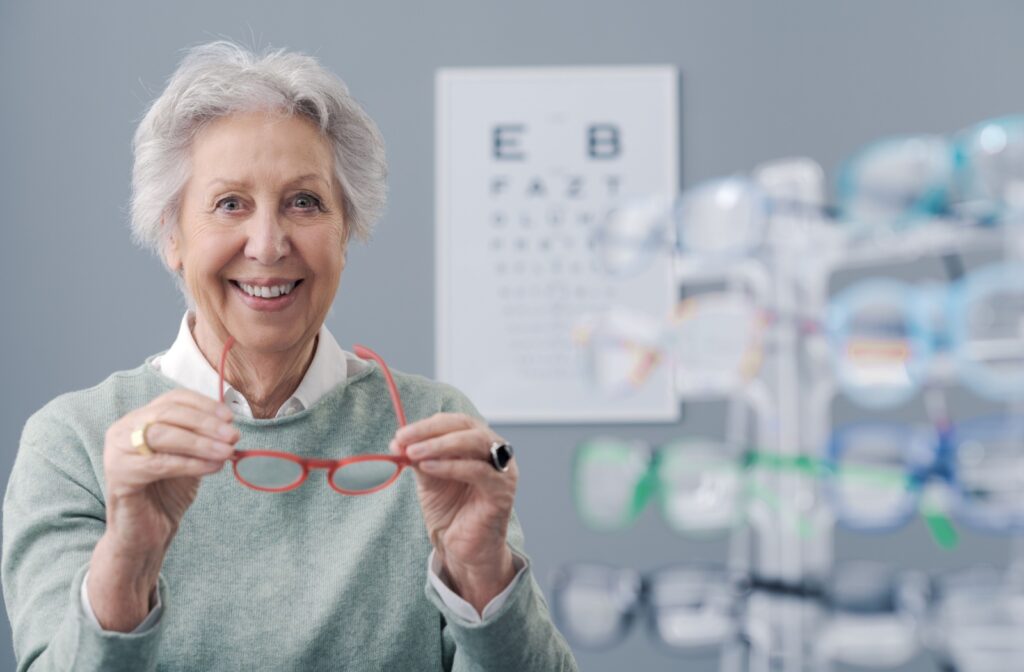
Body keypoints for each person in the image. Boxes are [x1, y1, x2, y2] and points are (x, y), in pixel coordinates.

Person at [1, 40, 578, 672]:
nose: (269, 244)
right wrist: (129, 558)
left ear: (346, 232)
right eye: (230, 204)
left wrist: (481, 575)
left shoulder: (429, 426)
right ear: (172, 235)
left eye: (305, 202)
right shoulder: (75, 443)